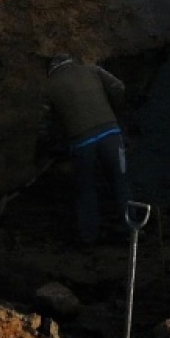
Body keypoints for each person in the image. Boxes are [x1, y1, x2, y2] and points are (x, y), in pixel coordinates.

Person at [41, 53, 132, 244]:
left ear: (52, 69)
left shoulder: (48, 86)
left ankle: (88, 237)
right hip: (111, 134)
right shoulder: (92, 70)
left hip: (82, 142)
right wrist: (114, 111)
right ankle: (131, 229)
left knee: (85, 189)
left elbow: (45, 124)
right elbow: (118, 87)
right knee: (119, 182)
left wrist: (51, 146)